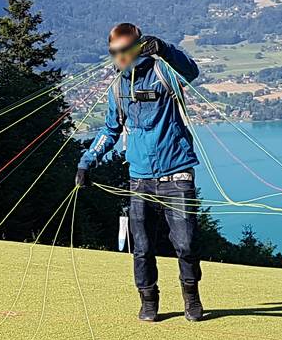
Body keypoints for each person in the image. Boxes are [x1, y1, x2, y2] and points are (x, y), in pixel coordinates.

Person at [76, 24, 206, 321]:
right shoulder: (118, 89)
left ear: (137, 46)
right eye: (113, 53)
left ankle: (192, 296)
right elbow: (110, 130)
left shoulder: (164, 73)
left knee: (186, 243)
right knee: (142, 247)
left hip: (177, 172)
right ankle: (149, 300)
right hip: (140, 178)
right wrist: (87, 161)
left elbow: (191, 71)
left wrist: (163, 48)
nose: (118, 57)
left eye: (124, 50)